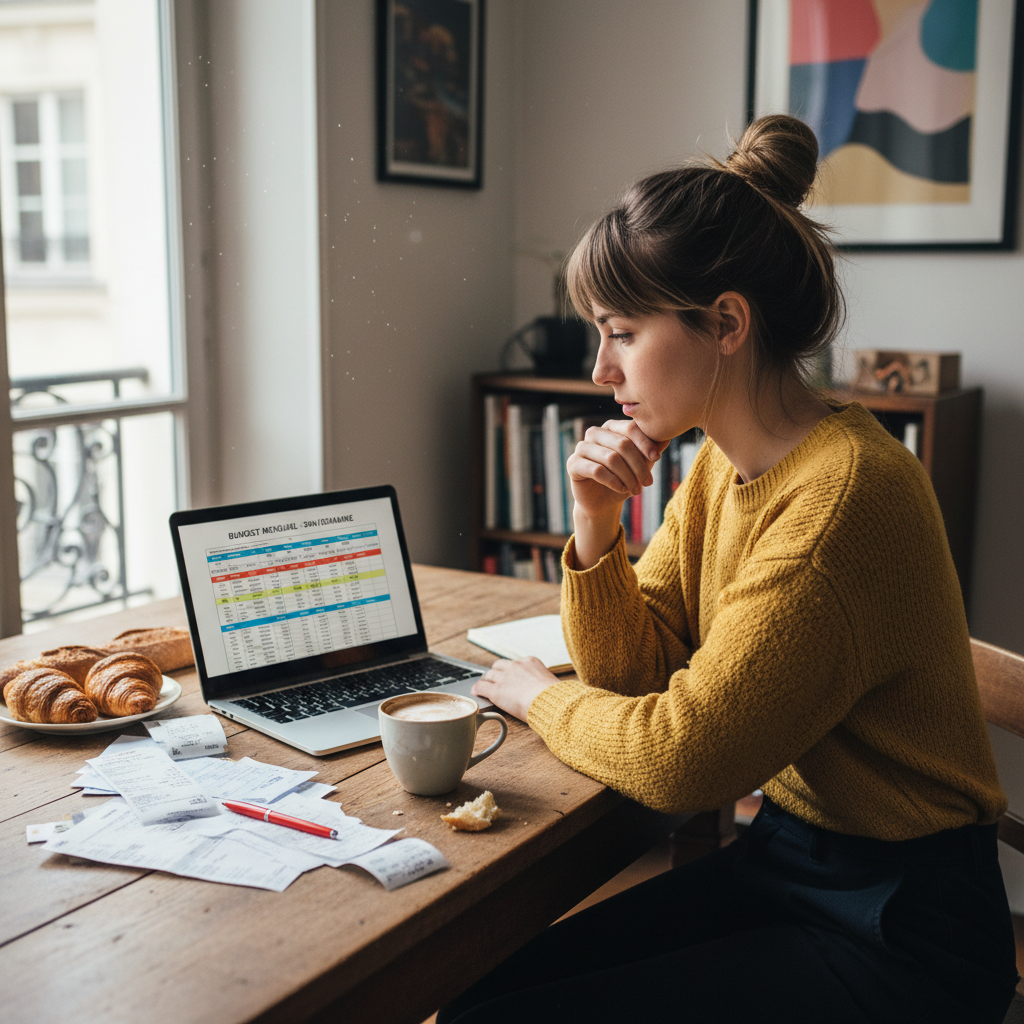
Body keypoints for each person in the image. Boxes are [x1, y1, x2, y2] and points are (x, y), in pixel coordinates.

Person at [437, 115, 1019, 1024]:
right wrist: (595, 529)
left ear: (726, 322)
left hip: (904, 934)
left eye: (621, 332)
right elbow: (633, 675)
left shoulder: (842, 501)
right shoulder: (722, 463)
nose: (599, 369)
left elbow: (682, 761)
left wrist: (533, 697)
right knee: (475, 990)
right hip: (791, 861)